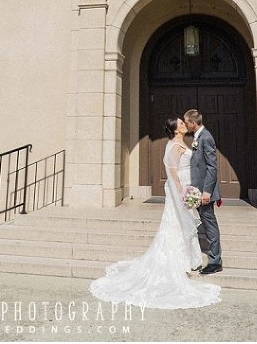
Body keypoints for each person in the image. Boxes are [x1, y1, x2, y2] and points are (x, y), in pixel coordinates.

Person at [89, 118, 220, 309]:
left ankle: (189, 260)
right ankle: (182, 261)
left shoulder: (180, 143)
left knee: (181, 225)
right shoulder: (174, 146)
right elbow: (173, 173)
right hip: (180, 189)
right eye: (181, 124)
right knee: (177, 224)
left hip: (186, 186)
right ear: (176, 131)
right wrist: (183, 193)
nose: (184, 125)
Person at [184, 108, 223, 275]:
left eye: (186, 123)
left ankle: (215, 261)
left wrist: (207, 191)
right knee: (207, 224)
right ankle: (214, 258)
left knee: (210, 224)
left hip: (206, 192)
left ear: (193, 123)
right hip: (199, 190)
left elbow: (212, 167)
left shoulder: (206, 137)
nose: (185, 125)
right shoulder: (198, 137)